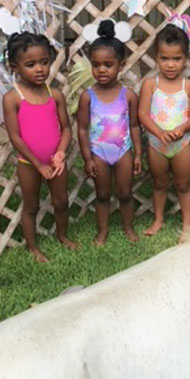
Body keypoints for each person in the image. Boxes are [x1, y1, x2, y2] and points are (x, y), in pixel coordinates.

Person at [3, 32, 78, 263]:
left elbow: (66, 128)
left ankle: (62, 235)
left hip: (55, 161)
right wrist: (38, 164)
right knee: (31, 206)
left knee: (61, 201)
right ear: (15, 67)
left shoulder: (54, 95)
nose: (39, 69)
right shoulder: (12, 98)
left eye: (44, 62)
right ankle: (33, 247)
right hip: (29, 163)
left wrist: (61, 153)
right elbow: (15, 137)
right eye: (31, 64)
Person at [76, 20, 142, 245]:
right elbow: (83, 129)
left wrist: (138, 154)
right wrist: (87, 158)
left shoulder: (129, 95)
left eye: (108, 64)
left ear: (121, 65)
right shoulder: (88, 96)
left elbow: (134, 126)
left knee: (125, 193)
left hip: (123, 151)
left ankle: (128, 227)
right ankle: (102, 231)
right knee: (103, 195)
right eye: (96, 65)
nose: (101, 70)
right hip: (99, 152)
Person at [138, 24, 190, 236]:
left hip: (182, 144)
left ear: (186, 59)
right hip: (157, 144)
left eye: (177, 59)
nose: (171, 65)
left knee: (183, 184)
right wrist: (159, 133)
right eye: (165, 59)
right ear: (157, 58)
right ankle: (158, 220)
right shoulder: (150, 84)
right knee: (159, 183)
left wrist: (182, 129)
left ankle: (187, 225)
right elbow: (143, 115)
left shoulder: (189, 86)